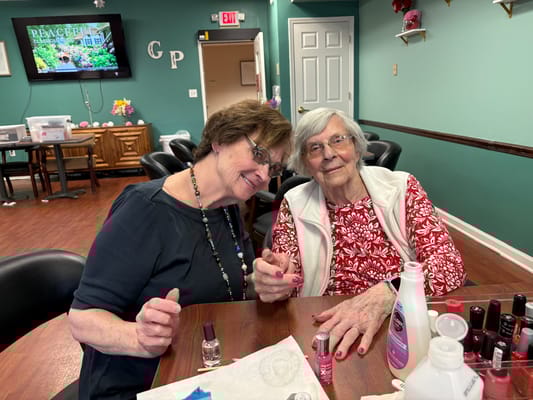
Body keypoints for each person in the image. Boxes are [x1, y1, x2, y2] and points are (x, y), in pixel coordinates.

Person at [68, 99, 293, 399]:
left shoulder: (227, 207)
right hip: (139, 384)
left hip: (199, 372)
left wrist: (263, 281)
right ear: (220, 140)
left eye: (274, 167)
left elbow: (236, 282)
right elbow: (82, 319)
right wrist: (140, 337)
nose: (265, 175)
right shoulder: (144, 209)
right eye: (259, 154)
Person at [253, 107, 466, 360]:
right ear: (305, 163)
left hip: (397, 322)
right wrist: (277, 280)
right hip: (327, 326)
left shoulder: (401, 187)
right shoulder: (295, 202)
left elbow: (450, 266)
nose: (329, 154)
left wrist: (390, 291)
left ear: (356, 147)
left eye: (338, 140)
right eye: (315, 148)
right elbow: (290, 276)